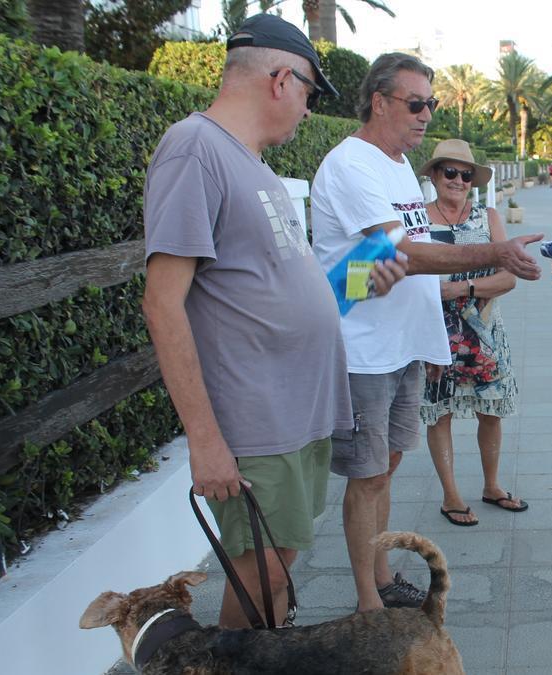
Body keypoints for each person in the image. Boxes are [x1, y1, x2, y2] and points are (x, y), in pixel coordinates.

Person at [142, 15, 408, 629]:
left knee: (277, 563)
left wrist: (363, 277)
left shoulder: (253, 164)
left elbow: (284, 287)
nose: (309, 111)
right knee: (262, 570)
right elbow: (163, 303)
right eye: (311, 93)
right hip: (255, 418)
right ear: (281, 78)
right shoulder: (194, 149)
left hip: (297, 414)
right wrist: (206, 441)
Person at [310, 53, 542, 613]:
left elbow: (390, 266)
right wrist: (496, 250)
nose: (425, 115)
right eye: (415, 104)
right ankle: (369, 607)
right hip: (365, 354)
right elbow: (404, 253)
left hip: (401, 349)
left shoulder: (395, 168)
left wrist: (428, 346)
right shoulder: (353, 165)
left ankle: (383, 580)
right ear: (378, 101)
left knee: (384, 472)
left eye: (430, 104)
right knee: (368, 478)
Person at [417, 139, 525, 527]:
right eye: (450, 172)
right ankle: (450, 496)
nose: (458, 181)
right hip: (435, 333)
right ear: (433, 174)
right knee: (439, 413)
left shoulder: (488, 217)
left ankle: (492, 486)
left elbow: (508, 277)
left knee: (490, 411)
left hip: (484, 333)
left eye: (466, 175)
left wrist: (460, 289)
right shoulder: (418, 219)